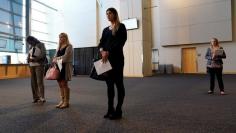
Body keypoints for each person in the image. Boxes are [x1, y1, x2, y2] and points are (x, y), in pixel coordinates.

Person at [98, 7, 127, 119]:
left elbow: (120, 43)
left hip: (117, 60)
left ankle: (118, 110)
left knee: (119, 85)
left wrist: (108, 52)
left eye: (110, 13)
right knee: (109, 86)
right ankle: (110, 109)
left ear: (115, 14)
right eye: (106, 14)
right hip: (106, 61)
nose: (108, 15)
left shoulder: (121, 27)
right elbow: (100, 43)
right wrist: (102, 51)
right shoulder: (105, 30)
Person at [53, 33, 73, 109]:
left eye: (62, 37)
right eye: (59, 37)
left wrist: (56, 59)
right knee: (60, 84)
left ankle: (66, 102)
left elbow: (66, 57)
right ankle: (62, 100)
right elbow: (55, 56)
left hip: (65, 67)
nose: (60, 38)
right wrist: (55, 59)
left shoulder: (69, 46)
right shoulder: (59, 47)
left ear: (65, 37)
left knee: (64, 84)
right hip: (58, 66)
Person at [26, 36, 46, 103]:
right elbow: (29, 55)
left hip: (39, 65)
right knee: (33, 82)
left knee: (39, 81)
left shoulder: (41, 44)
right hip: (31, 65)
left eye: (30, 42)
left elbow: (43, 54)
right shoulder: (31, 47)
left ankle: (42, 97)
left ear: (33, 40)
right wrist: (28, 60)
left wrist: (34, 59)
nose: (29, 43)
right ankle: (35, 97)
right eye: (28, 42)